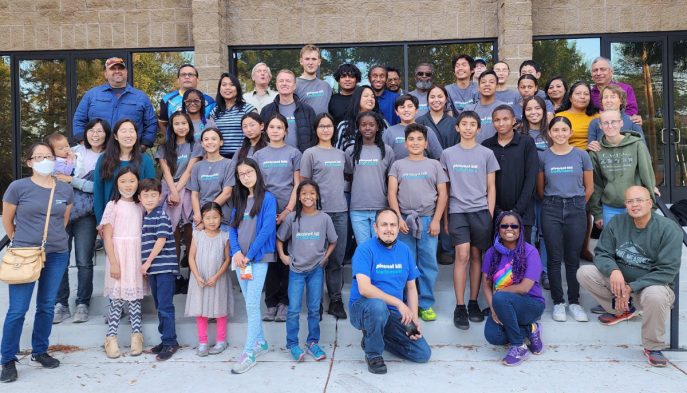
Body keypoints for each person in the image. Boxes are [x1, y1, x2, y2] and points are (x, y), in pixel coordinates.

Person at [577, 186, 683, 367]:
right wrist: (614, 271)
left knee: (656, 295)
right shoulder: (617, 223)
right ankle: (623, 309)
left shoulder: (669, 229)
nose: (635, 205)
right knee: (584, 273)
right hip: (619, 283)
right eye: (630, 201)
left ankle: (652, 347)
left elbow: (666, 271)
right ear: (625, 205)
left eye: (639, 200)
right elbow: (602, 254)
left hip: (649, 288)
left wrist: (631, 287)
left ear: (650, 203)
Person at [0, 143, 73, 383]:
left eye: (48, 156)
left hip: (57, 253)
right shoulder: (17, 187)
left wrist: (49, 242)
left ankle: (40, 351)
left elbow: (63, 220)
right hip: (24, 254)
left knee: (46, 306)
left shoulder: (64, 190)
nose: (44, 160)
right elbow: (8, 221)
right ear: (29, 162)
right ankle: (8, 359)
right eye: (38, 156)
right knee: (18, 309)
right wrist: (21, 242)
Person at [349, 208, 431, 374]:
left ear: (398, 227)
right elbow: (364, 288)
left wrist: (413, 319)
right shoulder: (364, 250)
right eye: (384, 224)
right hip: (364, 309)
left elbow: (411, 287)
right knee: (378, 307)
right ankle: (373, 354)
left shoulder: (404, 250)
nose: (389, 229)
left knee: (422, 353)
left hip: (392, 313)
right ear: (375, 227)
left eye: (393, 224)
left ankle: (373, 338)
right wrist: (399, 303)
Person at [441, 111, 499, 330]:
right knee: (462, 254)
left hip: (481, 211)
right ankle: (460, 306)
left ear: (478, 128)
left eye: (472, 124)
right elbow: (444, 189)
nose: (467, 128)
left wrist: (489, 215)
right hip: (457, 210)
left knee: (476, 256)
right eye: (463, 124)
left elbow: (492, 187)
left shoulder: (486, 153)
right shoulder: (447, 154)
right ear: (457, 128)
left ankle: (473, 301)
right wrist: (445, 217)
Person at [388, 124, 448, 322]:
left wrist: (437, 220)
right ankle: (404, 301)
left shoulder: (434, 165)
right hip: (405, 220)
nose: (415, 143)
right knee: (406, 263)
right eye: (411, 139)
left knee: (428, 263)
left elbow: (443, 194)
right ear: (405, 144)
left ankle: (426, 303)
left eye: (419, 139)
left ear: (426, 143)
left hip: (428, 220)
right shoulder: (398, 165)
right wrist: (397, 217)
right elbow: (391, 193)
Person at [537, 116, 593, 323]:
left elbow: (590, 187)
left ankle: (575, 302)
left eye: (564, 130)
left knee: (572, 258)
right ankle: (558, 302)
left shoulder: (581, 155)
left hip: (576, 207)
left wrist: (576, 203)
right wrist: (555, 202)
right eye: (556, 130)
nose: (560, 134)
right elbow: (540, 188)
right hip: (551, 207)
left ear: (570, 133)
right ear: (550, 134)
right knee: (553, 257)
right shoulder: (544, 157)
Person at [53, 119, 110, 324]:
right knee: (60, 258)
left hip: (86, 214)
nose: (96, 135)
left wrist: (73, 181)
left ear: (106, 134)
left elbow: (99, 188)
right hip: (61, 210)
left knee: (84, 261)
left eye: (100, 131)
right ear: (85, 133)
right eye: (92, 131)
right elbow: (54, 174)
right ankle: (61, 303)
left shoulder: (107, 157)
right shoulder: (72, 150)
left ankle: (82, 303)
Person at [277, 180, 338, 361]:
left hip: (315, 270)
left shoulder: (324, 218)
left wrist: (325, 258)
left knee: (313, 309)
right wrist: (283, 256)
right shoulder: (292, 218)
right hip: (296, 270)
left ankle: (313, 342)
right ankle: (293, 344)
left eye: (312, 193)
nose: (308, 196)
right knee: (294, 309)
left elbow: (333, 241)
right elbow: (280, 239)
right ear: (299, 196)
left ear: (317, 195)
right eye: (304, 193)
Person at [229, 158, 277, 374]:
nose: (246, 176)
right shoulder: (239, 200)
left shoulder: (267, 198)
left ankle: (249, 352)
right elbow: (232, 229)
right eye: (241, 174)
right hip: (241, 260)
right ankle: (261, 343)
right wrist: (236, 252)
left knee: (251, 304)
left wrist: (249, 254)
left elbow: (267, 229)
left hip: (257, 260)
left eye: (249, 172)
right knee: (250, 302)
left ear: (257, 172)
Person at [253, 114, 302, 322]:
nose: (275, 130)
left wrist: (288, 211)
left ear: (286, 131)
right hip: (266, 212)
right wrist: (268, 213)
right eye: (271, 127)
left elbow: (297, 184)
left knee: (286, 258)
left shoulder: (294, 153)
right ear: (266, 130)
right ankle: (270, 303)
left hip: (288, 212)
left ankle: (285, 303)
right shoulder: (259, 155)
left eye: (279, 127)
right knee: (269, 258)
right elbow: (256, 185)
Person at [300, 114, 349, 319]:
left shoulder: (341, 154)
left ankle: (335, 300)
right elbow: (304, 184)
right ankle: (316, 303)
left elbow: (347, 177)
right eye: (322, 126)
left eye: (329, 126)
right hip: (317, 213)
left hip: (339, 211)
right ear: (316, 130)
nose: (326, 129)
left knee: (336, 259)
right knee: (317, 259)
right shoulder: (310, 154)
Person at [482, 211, 545, 367]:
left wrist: (499, 297)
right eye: (504, 226)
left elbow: (524, 288)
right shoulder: (491, 253)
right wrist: (493, 308)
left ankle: (518, 346)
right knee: (492, 336)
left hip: (531, 304)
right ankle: (531, 329)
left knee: (500, 297)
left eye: (514, 226)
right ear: (499, 229)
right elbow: (486, 284)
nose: (509, 229)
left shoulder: (530, 252)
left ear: (520, 229)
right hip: (502, 303)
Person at [101, 167, 146, 359]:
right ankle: (111, 338)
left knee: (134, 298)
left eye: (132, 181)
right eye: (123, 181)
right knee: (117, 299)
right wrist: (113, 262)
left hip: (135, 255)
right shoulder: (113, 205)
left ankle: (137, 336)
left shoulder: (141, 205)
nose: (128, 185)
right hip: (118, 254)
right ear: (116, 184)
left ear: (138, 183)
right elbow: (107, 236)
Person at [588, 110, 656, 228]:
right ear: (600, 126)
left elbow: (647, 176)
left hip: (637, 205)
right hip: (610, 207)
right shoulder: (596, 151)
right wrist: (597, 213)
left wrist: (651, 205)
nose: (610, 126)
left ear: (621, 123)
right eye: (605, 123)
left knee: (637, 243)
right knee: (613, 244)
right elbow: (596, 184)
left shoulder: (637, 145)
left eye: (614, 122)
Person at [73, 57, 157, 149]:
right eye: (112, 68)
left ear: (126, 72)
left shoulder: (141, 97)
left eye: (120, 68)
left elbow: (151, 123)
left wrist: (144, 145)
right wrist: (83, 141)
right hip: (98, 151)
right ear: (106, 74)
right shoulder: (92, 94)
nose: (117, 71)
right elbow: (79, 119)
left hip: (130, 153)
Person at [482, 105, 539, 242]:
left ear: (514, 120)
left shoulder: (527, 143)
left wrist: (516, 211)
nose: (501, 123)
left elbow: (531, 178)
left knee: (521, 255)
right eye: (497, 120)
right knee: (497, 255)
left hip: (523, 212)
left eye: (505, 119)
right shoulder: (486, 146)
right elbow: (483, 182)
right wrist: (497, 212)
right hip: (495, 213)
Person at [138, 179, 180, 361]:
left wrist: (146, 263)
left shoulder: (161, 215)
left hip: (164, 269)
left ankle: (171, 342)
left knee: (165, 306)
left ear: (160, 197)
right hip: (155, 270)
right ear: (139, 198)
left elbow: (161, 240)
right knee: (159, 306)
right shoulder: (146, 216)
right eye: (145, 195)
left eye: (153, 195)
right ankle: (165, 340)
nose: (149, 199)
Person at [156, 112, 202, 264]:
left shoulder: (196, 145)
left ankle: (191, 275)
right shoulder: (164, 148)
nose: (181, 127)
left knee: (190, 235)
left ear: (189, 125)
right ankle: (174, 275)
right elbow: (166, 172)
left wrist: (177, 192)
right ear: (171, 126)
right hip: (169, 190)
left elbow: (189, 171)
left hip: (188, 189)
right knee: (172, 234)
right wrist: (173, 193)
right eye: (177, 124)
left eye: (184, 123)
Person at [186, 202, 232, 357]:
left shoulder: (225, 236)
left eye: (215, 217)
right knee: (200, 311)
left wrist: (216, 276)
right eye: (208, 218)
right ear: (202, 219)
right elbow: (191, 257)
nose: (212, 221)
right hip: (200, 278)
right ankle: (203, 342)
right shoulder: (197, 235)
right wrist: (197, 276)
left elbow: (227, 259)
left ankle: (221, 341)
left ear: (221, 218)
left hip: (217, 278)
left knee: (220, 309)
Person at [93, 119, 156, 225]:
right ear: (116, 136)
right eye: (123, 131)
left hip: (138, 217)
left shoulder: (145, 160)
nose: (128, 135)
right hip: (110, 218)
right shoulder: (104, 159)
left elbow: (152, 190)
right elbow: (98, 191)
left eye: (132, 131)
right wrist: (100, 221)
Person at [346, 111, 395, 244]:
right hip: (357, 208)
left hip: (380, 207)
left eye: (371, 124)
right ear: (358, 127)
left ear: (378, 127)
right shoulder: (351, 151)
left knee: (379, 246)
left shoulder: (387, 150)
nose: (367, 128)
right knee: (363, 247)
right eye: (363, 125)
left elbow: (390, 180)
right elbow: (349, 176)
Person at [520, 96, 551, 289]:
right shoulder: (519, 133)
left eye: (537, 108)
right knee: (528, 233)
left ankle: (545, 271)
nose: (533, 112)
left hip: (548, 190)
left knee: (545, 233)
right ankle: (529, 271)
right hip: (526, 191)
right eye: (529, 109)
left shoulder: (552, 132)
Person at [260, 69, 317, 152]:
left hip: (302, 159)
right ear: (276, 85)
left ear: (294, 86)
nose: (284, 83)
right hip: (274, 159)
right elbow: (262, 137)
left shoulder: (307, 110)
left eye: (288, 81)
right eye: (281, 81)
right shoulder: (266, 111)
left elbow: (314, 137)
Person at [188, 128, 234, 228]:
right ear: (202, 143)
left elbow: (227, 193)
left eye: (214, 139)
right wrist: (198, 215)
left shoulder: (229, 164)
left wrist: (207, 214)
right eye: (206, 139)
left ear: (221, 142)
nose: (210, 142)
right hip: (201, 217)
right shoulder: (197, 166)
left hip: (222, 217)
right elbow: (194, 195)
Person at [159, 64, 215, 135]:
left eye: (190, 74)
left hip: (202, 144)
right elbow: (163, 123)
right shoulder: (167, 100)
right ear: (178, 80)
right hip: (177, 145)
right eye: (183, 75)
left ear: (197, 80)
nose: (187, 77)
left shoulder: (210, 101)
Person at [382, 95, 443, 161]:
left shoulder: (426, 130)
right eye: (402, 107)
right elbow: (384, 158)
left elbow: (438, 157)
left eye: (410, 106)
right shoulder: (389, 132)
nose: (406, 110)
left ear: (416, 110)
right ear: (396, 112)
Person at [210, 73, 256, 158]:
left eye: (232, 85)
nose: (227, 88)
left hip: (243, 156)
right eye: (224, 85)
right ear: (219, 89)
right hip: (221, 158)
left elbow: (257, 134)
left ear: (237, 88)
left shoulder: (248, 109)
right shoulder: (215, 112)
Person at [336, 85, 383, 151]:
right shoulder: (344, 126)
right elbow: (337, 152)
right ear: (357, 99)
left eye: (372, 97)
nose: (370, 99)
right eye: (366, 96)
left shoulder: (382, 123)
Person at [463, 70, 506, 143]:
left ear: (497, 86)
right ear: (478, 87)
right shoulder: (469, 109)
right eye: (483, 82)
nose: (487, 84)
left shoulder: (504, 108)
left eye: (491, 82)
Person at [557, 81, 600, 150]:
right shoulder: (560, 117)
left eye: (586, 94)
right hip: (568, 155)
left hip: (593, 155)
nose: (582, 97)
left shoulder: (597, 117)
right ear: (570, 97)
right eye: (578, 94)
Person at [417, 85, 459, 149]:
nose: (436, 100)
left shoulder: (454, 123)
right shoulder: (419, 122)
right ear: (427, 100)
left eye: (440, 96)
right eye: (432, 97)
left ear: (446, 100)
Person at [295, 44, 332, 115]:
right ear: (301, 61)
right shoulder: (294, 84)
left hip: (323, 126)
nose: (310, 63)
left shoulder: (326, 86)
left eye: (314, 59)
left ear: (319, 62)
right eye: (307, 59)